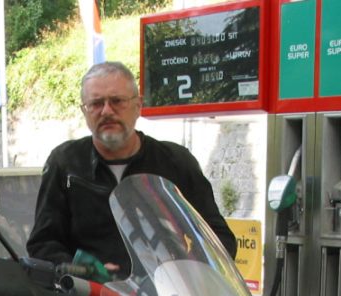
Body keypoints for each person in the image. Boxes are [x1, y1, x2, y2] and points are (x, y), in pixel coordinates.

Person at [26, 61, 238, 278]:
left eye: (117, 101)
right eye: (96, 103)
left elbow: (219, 240)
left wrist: (185, 272)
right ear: (84, 110)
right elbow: (43, 244)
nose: (107, 111)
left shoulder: (175, 161)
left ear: (138, 105)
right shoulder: (65, 163)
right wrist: (85, 272)